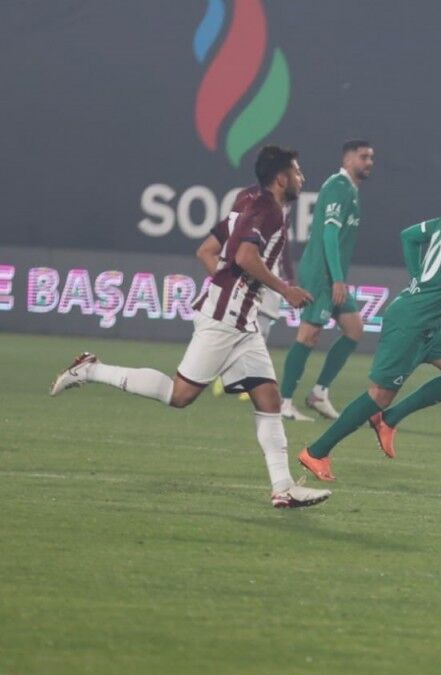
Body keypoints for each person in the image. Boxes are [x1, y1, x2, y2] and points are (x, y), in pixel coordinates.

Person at [49, 146, 331, 509]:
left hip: (238, 318)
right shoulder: (268, 210)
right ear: (281, 178)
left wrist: (226, 287)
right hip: (227, 319)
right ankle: (91, 369)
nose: (302, 178)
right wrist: (283, 290)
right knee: (179, 395)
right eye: (297, 171)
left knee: (268, 399)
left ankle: (283, 488)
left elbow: (206, 251)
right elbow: (245, 256)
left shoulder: (247, 199)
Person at [296, 181, 441, 481]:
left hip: (431, 323)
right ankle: (316, 452)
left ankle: (389, 420)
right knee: (379, 395)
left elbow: (409, 237)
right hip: (410, 323)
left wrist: (418, 280)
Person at [278, 140, 375, 421]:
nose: (369, 162)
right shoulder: (337, 187)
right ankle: (284, 402)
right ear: (347, 160)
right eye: (363, 157)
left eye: (371, 157)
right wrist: (337, 280)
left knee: (354, 329)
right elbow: (329, 235)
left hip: (333, 275)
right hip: (322, 275)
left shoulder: (351, 190)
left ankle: (319, 393)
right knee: (308, 335)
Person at [196, 184, 296, 401]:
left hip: (269, 271)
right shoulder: (248, 196)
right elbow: (230, 235)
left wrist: (289, 274)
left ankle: (243, 378)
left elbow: (283, 244)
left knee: (262, 327)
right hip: (248, 269)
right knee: (242, 326)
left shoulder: (283, 202)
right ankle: (231, 375)